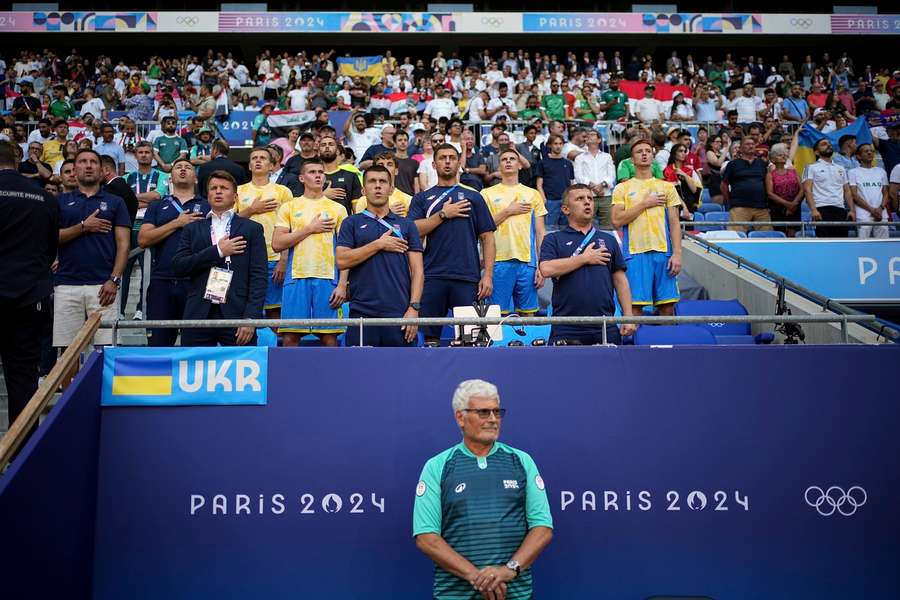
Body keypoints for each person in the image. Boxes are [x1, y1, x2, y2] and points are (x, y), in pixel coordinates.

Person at [413, 379, 553, 600]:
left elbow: (542, 528)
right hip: (454, 596)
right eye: (483, 412)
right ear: (460, 417)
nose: (493, 420)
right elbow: (426, 537)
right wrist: (478, 577)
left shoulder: (522, 461)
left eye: (497, 412)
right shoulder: (437, 466)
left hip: (515, 595)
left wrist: (508, 570)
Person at [408, 144, 496, 345]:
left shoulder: (474, 196)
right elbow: (413, 231)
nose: (447, 161)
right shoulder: (421, 198)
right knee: (430, 340)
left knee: (470, 340)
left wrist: (488, 275)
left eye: (451, 158)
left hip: (467, 277)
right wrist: (442, 215)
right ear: (434, 163)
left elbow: (487, 238)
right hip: (431, 276)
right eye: (442, 158)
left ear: (459, 163)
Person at [0, 140, 59, 429]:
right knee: (23, 377)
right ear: (17, 160)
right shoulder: (44, 198)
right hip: (28, 297)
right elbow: (50, 251)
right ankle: (22, 456)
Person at [172, 170, 267, 346]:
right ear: (207, 195)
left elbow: (259, 277)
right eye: (213, 188)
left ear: (235, 196)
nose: (218, 191)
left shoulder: (252, 228)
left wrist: (251, 318)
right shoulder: (192, 228)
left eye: (224, 188)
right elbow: (179, 266)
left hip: (238, 314)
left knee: (237, 371)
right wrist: (218, 252)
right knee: (196, 372)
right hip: (198, 313)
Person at [336, 165, 424, 347]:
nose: (378, 186)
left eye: (383, 181)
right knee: (362, 373)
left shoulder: (406, 225)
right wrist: (378, 244)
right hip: (361, 313)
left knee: (401, 372)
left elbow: (418, 271)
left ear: (391, 189)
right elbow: (342, 260)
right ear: (363, 190)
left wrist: (413, 308)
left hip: (399, 312)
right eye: (372, 181)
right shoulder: (351, 223)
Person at [540, 184, 635, 345]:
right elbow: (546, 269)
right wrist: (584, 258)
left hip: (605, 325)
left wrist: (628, 317)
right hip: (566, 327)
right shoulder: (553, 239)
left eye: (590, 198)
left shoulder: (609, 240)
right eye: (580, 199)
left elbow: (620, 281)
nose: (587, 202)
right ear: (565, 209)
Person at [54, 149, 130, 348]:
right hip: (66, 284)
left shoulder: (116, 202)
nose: (88, 166)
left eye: (93, 162)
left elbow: (124, 244)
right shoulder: (60, 202)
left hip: (104, 286)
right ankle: (69, 383)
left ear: (102, 170)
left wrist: (114, 280)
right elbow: (50, 238)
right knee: (68, 354)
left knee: (105, 351)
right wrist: (83, 227)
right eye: (82, 162)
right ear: (74, 169)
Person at [272, 159, 349, 347]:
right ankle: (290, 377)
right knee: (291, 336)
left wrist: (342, 284)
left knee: (329, 337)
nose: (318, 175)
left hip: (328, 278)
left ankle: (332, 377)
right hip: (296, 277)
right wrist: (310, 229)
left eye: (321, 172)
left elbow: (345, 251)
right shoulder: (289, 207)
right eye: (312, 172)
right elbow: (277, 243)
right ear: (301, 178)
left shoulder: (338, 208)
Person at [138, 158, 208, 346]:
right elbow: (143, 240)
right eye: (178, 167)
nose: (183, 169)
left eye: (188, 167)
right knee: (159, 344)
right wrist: (177, 223)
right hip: (162, 280)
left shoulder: (208, 205)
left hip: (196, 282)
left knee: (195, 344)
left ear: (195, 178)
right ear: (170, 178)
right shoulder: (157, 206)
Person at [611, 140, 682, 316]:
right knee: (635, 307)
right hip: (635, 253)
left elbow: (674, 223)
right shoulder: (622, 188)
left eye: (648, 151)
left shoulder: (667, 187)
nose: (644, 154)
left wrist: (677, 253)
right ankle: (637, 343)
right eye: (639, 152)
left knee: (667, 306)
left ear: (653, 156)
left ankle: (668, 344)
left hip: (663, 252)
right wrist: (645, 203)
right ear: (632, 159)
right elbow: (616, 220)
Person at [481, 148, 547, 316]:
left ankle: (528, 343)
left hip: (528, 262)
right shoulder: (486, 194)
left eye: (512, 159)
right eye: (504, 159)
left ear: (519, 165)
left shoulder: (533, 194)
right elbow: (481, 227)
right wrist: (508, 211)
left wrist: (541, 264)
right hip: (498, 261)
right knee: (497, 316)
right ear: (499, 166)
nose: (508, 161)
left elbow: (540, 232)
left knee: (528, 315)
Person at [236, 147, 293, 326]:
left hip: (275, 259)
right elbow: (229, 222)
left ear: (271, 166)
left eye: (262, 158)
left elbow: (290, 228)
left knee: (274, 311)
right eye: (254, 158)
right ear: (250, 165)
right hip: (244, 258)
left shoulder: (283, 191)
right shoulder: (239, 191)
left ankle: (274, 352)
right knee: (245, 309)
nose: (258, 161)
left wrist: (284, 259)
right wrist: (252, 209)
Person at [803, 138, 855, 238]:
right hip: (821, 209)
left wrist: (852, 210)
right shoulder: (811, 167)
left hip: (840, 209)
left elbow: (847, 191)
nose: (829, 145)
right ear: (816, 152)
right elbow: (807, 189)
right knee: (824, 244)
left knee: (842, 244)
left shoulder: (840, 168)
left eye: (830, 144)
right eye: (824, 144)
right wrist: (813, 210)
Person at [721, 137, 772, 233]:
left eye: (752, 144)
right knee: (735, 237)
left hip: (761, 207)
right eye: (747, 144)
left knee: (767, 237)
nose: (751, 146)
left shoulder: (762, 164)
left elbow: (767, 183)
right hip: (739, 206)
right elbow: (724, 185)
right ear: (740, 148)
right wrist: (730, 200)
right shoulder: (733, 164)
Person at [573, 129, 616, 228]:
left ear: (599, 140)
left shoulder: (607, 156)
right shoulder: (579, 158)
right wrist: (595, 188)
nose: (588, 136)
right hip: (586, 197)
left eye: (592, 134)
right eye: (587, 135)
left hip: (605, 196)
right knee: (586, 227)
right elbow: (579, 177)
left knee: (608, 227)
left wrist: (601, 186)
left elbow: (612, 176)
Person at [848, 143, 890, 239]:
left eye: (871, 151)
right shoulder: (853, 172)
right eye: (866, 151)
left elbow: (886, 193)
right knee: (863, 245)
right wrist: (871, 210)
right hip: (863, 214)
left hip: (881, 214)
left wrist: (880, 208)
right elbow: (854, 195)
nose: (870, 153)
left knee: (882, 245)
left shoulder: (881, 171)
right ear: (858, 156)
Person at [534, 134, 575, 229]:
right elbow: (539, 184)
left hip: (566, 201)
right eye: (555, 143)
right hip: (550, 201)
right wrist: (544, 199)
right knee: (549, 230)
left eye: (560, 143)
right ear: (550, 145)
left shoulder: (568, 163)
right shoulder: (543, 163)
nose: (558, 146)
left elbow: (571, 183)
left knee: (566, 230)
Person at [765, 145, 803, 237]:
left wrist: (794, 204)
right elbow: (770, 194)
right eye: (779, 155)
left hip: (795, 207)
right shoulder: (770, 175)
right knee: (780, 234)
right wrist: (788, 205)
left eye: (784, 155)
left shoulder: (793, 171)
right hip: (778, 209)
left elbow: (802, 189)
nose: (783, 156)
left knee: (793, 234)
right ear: (773, 159)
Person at [663, 144, 703, 219]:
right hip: (673, 208)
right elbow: (670, 191)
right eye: (680, 151)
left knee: (689, 231)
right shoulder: (667, 171)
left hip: (689, 208)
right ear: (674, 154)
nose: (684, 153)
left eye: (685, 151)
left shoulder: (690, 171)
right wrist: (684, 207)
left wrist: (684, 175)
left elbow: (695, 191)